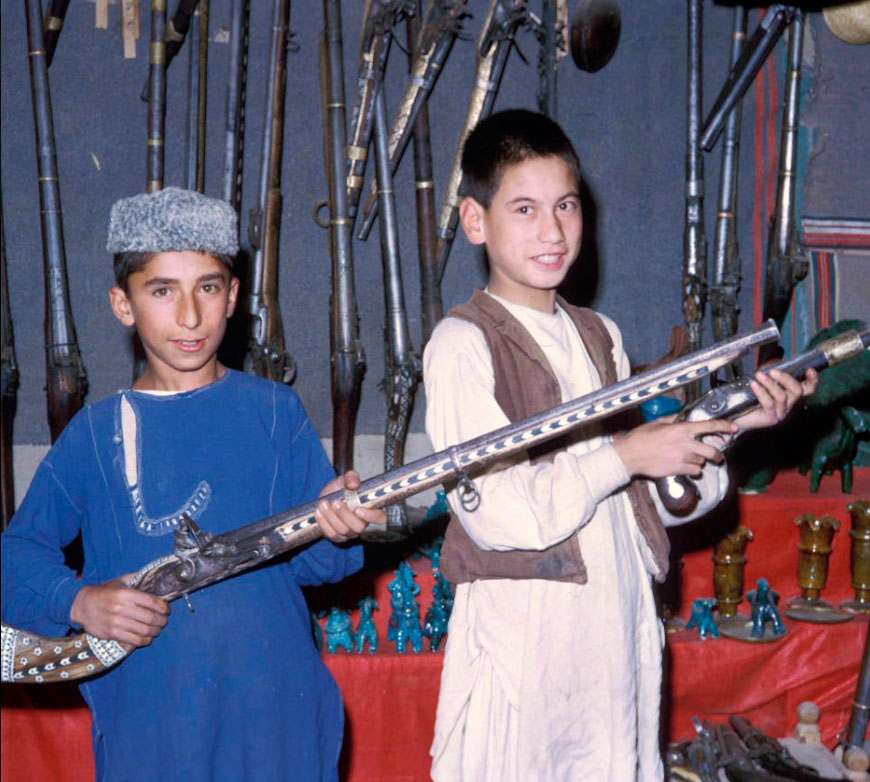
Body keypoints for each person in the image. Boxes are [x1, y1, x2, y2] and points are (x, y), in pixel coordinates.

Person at [422, 109, 817, 781]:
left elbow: (645, 509)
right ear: (474, 221)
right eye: (524, 208)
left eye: (566, 206)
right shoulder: (463, 344)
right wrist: (628, 455)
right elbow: (499, 516)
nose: (552, 231)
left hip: (616, 635)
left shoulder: (598, 333)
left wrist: (722, 431)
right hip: (529, 652)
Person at [1, 188, 383, 782]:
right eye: (162, 290)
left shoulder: (276, 411)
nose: (189, 315)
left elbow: (317, 571)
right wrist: (77, 601)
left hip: (278, 721)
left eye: (207, 287)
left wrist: (338, 528)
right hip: (152, 731)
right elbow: (16, 554)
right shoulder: (96, 434)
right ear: (122, 305)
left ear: (232, 297)